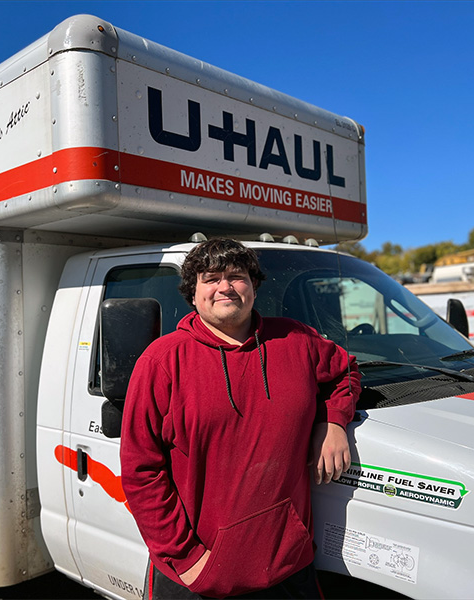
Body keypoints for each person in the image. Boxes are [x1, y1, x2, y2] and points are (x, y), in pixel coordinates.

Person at [120, 238, 361, 599]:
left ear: (253, 285)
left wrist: (333, 420)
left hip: (287, 565)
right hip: (198, 574)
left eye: (236, 276)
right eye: (211, 278)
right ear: (193, 292)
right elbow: (141, 471)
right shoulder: (161, 362)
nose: (224, 287)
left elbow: (346, 370)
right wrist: (186, 559)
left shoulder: (296, 340)